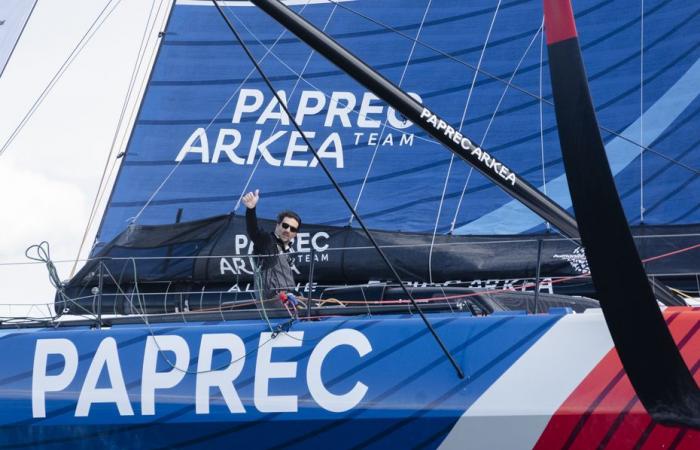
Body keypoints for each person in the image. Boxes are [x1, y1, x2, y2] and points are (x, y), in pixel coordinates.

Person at [241, 189, 302, 307]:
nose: (287, 230)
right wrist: (251, 209)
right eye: (285, 225)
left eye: (293, 229)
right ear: (277, 225)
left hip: (290, 299)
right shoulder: (267, 242)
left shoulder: (287, 250)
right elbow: (254, 232)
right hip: (273, 302)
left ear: (295, 234)